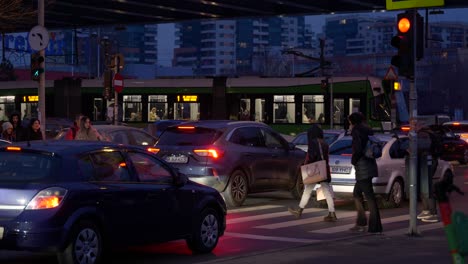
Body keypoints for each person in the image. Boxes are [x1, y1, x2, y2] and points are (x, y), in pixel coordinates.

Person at [288, 122, 337, 222]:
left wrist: (306, 166)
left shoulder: (313, 143)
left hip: (314, 170)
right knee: (327, 191)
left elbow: (311, 156)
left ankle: (299, 210)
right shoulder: (324, 143)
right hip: (324, 169)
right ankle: (332, 213)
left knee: (307, 190)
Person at [347, 112, 382, 233]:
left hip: (363, 167)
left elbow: (358, 149)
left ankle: (375, 226)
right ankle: (361, 222)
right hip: (370, 165)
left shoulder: (357, 130)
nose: (349, 125)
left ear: (353, 122)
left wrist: (353, 160)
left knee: (369, 196)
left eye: (349, 122)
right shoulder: (368, 129)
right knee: (357, 193)